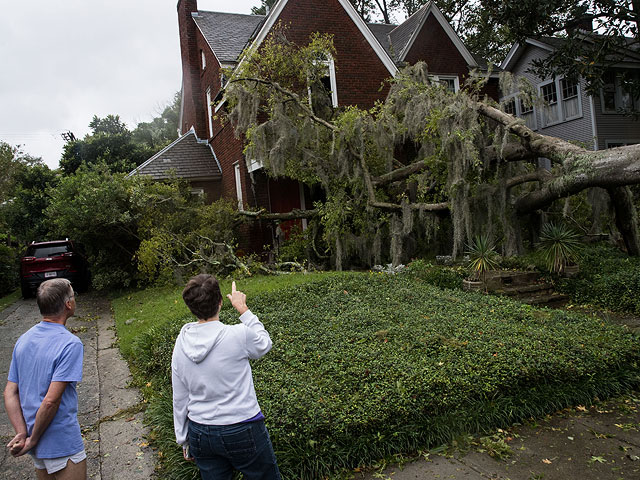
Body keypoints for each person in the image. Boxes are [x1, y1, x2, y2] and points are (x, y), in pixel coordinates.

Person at [172, 275, 281, 480]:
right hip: (243, 426)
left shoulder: (181, 342)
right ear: (220, 302)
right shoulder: (238, 335)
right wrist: (243, 309)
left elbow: (180, 395)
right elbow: (264, 344)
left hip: (201, 432)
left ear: (191, 307)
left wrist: (183, 439)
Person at [3, 278, 86, 479]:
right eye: (73, 296)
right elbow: (50, 401)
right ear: (68, 304)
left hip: (37, 446)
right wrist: (33, 439)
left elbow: (9, 392)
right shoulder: (70, 344)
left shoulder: (23, 340)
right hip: (62, 443)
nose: (74, 300)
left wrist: (24, 434)